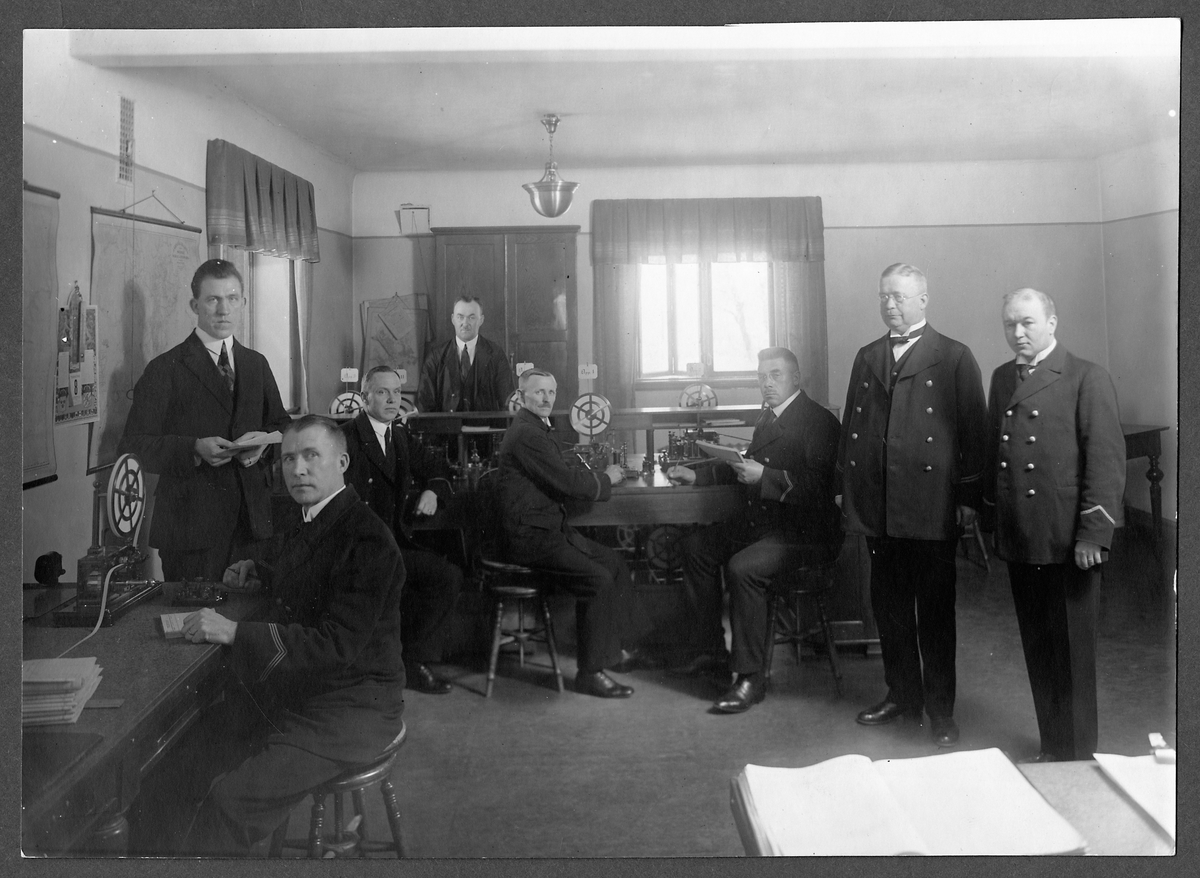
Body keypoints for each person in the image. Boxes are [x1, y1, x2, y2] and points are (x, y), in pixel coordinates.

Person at [177, 415, 406, 854]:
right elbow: (314, 581)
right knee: (187, 757)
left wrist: (236, 632)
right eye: (288, 459)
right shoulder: (318, 516)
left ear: (342, 462)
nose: (297, 469)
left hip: (353, 708)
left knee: (228, 802)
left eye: (311, 456)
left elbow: (334, 644)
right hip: (310, 692)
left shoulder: (369, 540)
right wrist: (261, 573)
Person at [837, 263, 987, 748]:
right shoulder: (868, 356)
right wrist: (847, 489)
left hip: (931, 506)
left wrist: (968, 499)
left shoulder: (954, 356)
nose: (889, 305)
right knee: (890, 609)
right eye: (884, 296)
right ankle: (902, 695)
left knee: (936, 615)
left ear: (923, 299)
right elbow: (851, 426)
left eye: (899, 297)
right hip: (880, 507)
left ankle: (941, 712)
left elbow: (975, 435)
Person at [982, 289, 1125, 762]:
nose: (1017, 333)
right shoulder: (1003, 377)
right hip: (1023, 535)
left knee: (1073, 657)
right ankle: (1053, 748)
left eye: (1027, 322)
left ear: (1052, 323)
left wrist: (1093, 534)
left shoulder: (1086, 376)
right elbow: (997, 454)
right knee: (1039, 649)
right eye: (1010, 324)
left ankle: (1078, 758)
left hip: (1066, 539)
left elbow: (1105, 462)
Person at [668, 347, 842, 714]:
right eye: (762, 377)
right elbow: (745, 463)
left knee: (743, 568)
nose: (767, 383)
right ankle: (711, 651)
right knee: (696, 547)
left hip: (807, 534)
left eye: (776, 375)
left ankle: (751, 677)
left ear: (796, 378)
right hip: (768, 525)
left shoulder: (819, 421)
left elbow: (822, 488)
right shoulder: (769, 416)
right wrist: (697, 476)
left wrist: (765, 477)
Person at [118, 259, 291, 583]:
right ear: (194, 305)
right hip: (190, 532)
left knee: (249, 612)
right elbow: (132, 445)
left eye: (232, 298)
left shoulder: (256, 364)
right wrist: (194, 448)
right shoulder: (165, 368)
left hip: (251, 527)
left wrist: (262, 447)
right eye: (213, 299)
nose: (224, 310)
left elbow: (281, 425)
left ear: (242, 302)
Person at [497, 368, 641, 698]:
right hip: (530, 538)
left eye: (551, 392)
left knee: (613, 563)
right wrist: (606, 478)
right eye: (539, 392)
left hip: (547, 530)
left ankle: (615, 652)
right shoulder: (528, 433)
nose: (546, 398)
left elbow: (558, 472)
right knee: (598, 580)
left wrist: (591, 475)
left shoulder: (536, 427)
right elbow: (566, 482)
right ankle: (590, 673)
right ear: (521, 396)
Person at [343, 365, 463, 695]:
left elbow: (439, 468)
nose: (392, 399)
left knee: (447, 576)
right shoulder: (346, 438)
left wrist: (433, 490)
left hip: (392, 544)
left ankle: (413, 659)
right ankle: (402, 662)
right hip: (359, 549)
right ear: (364, 397)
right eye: (382, 392)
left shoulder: (398, 435)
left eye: (396, 392)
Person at [418, 296, 515, 413]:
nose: (465, 323)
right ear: (453, 319)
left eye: (471, 317)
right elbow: (424, 405)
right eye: (460, 317)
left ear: (481, 320)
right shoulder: (435, 357)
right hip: (447, 424)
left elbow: (507, 402)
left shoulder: (496, 355)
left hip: (485, 424)